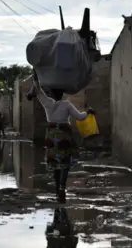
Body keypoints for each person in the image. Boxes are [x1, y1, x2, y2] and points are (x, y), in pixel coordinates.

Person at [32, 71, 95, 203]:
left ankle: (56, 189)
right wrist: (88, 112)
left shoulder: (47, 103)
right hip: (64, 137)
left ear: (52, 93)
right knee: (65, 163)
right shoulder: (66, 104)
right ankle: (62, 187)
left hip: (51, 136)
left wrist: (35, 76)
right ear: (62, 94)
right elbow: (80, 117)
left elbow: (38, 91)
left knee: (55, 163)